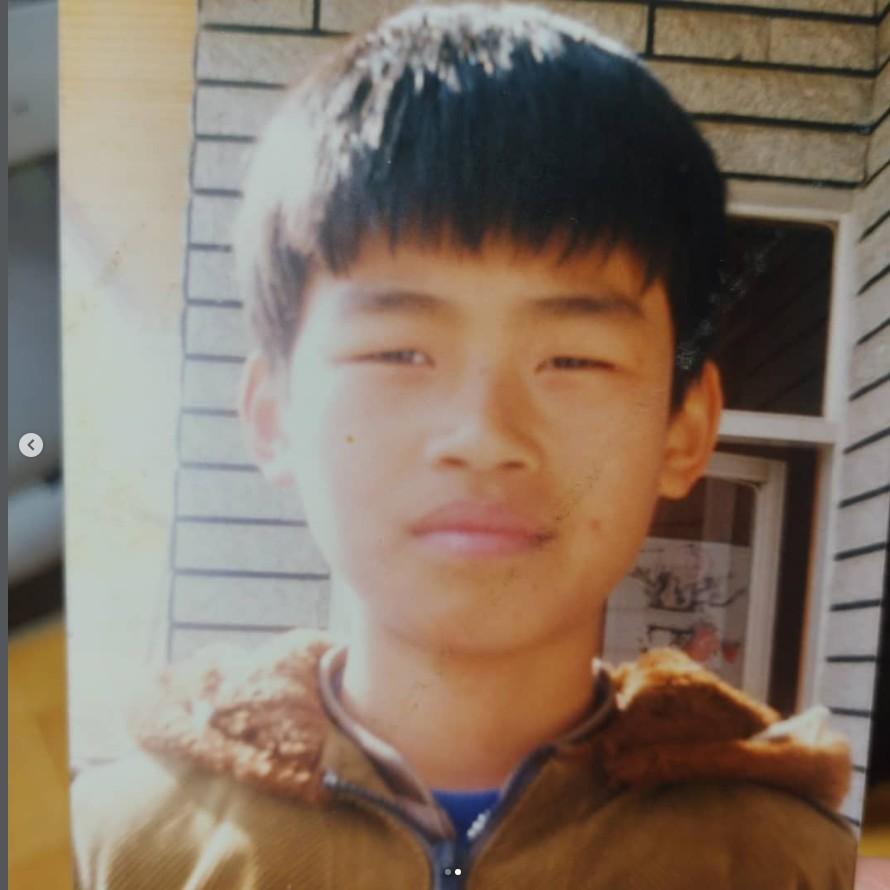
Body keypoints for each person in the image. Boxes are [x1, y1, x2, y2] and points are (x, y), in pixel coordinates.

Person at [71, 4, 860, 888]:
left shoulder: (782, 861)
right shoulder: (123, 844)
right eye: (399, 352)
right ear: (272, 415)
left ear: (686, 428)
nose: (484, 436)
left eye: (574, 359)